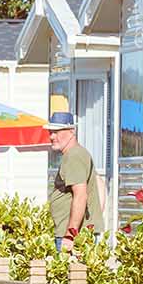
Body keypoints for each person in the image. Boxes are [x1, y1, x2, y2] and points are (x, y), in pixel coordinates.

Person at [47, 103, 103, 246]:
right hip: (78, 234)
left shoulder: (74, 155)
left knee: (72, 269)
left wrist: (70, 235)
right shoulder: (76, 154)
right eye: (50, 132)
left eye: (57, 131)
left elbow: (80, 195)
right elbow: (99, 183)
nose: (52, 136)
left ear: (71, 131)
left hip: (73, 237)